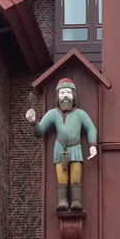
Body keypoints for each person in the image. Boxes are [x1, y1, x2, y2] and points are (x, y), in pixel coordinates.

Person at [26, 78, 97, 210]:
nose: (65, 96)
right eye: (62, 92)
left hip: (76, 149)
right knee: (62, 178)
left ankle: (76, 201)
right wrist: (34, 122)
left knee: (76, 177)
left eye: (68, 92)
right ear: (57, 96)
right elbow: (40, 131)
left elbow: (91, 128)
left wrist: (92, 145)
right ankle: (62, 201)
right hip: (60, 150)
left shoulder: (80, 114)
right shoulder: (53, 113)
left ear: (74, 96)